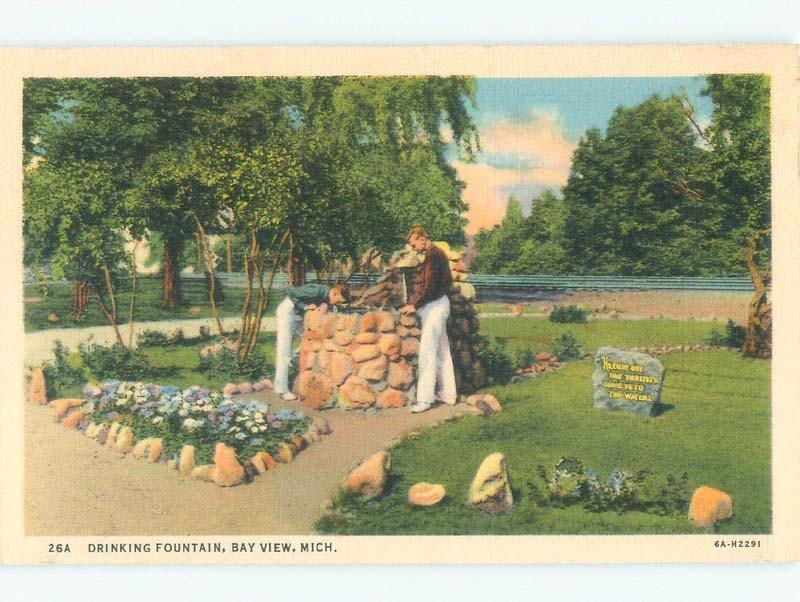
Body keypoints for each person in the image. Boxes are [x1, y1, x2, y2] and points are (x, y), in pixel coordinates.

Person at [400, 225, 457, 413]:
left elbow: (430, 286)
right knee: (442, 350)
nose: (414, 248)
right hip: (439, 303)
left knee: (427, 352)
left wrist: (414, 305)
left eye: (414, 244)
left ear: (422, 238)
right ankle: (448, 394)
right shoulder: (435, 255)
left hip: (435, 306)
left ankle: (424, 400)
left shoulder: (433, 256)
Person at [274, 282, 350, 400]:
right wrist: (304, 306)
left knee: (307, 342)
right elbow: (290, 291)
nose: (337, 303)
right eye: (338, 300)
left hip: (298, 315)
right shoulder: (318, 291)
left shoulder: (325, 297)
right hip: (287, 312)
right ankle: (282, 389)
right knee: (283, 349)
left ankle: (292, 360)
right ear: (335, 292)